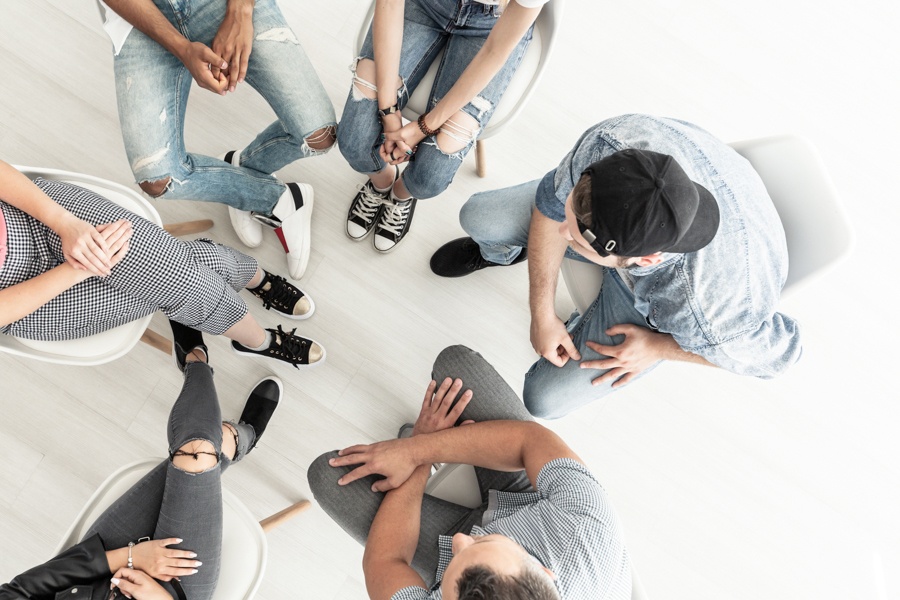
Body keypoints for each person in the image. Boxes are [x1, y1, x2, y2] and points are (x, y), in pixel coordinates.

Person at [430, 114, 802, 419]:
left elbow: (780, 356)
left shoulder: (712, 312)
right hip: (693, 203)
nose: (561, 232)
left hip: (671, 297)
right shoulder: (614, 142)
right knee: (478, 216)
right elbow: (552, 210)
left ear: (646, 260)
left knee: (543, 400)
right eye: (572, 211)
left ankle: (581, 319)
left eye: (577, 239)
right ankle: (508, 253)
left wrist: (658, 347)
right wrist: (541, 313)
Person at [308, 345, 632, 600]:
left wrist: (420, 447)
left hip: (440, 559)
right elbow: (530, 441)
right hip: (528, 500)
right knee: (456, 365)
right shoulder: (588, 532)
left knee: (328, 476)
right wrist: (414, 451)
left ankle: (426, 444)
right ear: (545, 574)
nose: (462, 540)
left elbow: (384, 562)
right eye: (480, 543)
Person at [0, 325, 281, 600]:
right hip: (174, 589)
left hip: (104, 563)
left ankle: (196, 364)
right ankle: (208, 383)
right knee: (205, 449)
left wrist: (130, 556)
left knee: (197, 451)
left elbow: (18, 591)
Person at [0, 160, 324, 369]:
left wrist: (64, 222)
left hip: (28, 215)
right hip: (23, 303)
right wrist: (77, 268)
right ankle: (258, 329)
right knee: (184, 278)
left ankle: (255, 329)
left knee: (177, 276)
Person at [99, 0, 337, 279]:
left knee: (320, 134)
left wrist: (240, 12)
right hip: (139, 18)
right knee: (157, 180)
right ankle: (276, 199)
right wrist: (182, 48)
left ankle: (242, 170)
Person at [338, 0, 549, 253]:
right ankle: (381, 183)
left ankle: (400, 195)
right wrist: (389, 113)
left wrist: (423, 127)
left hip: (492, 25)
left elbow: (494, 51)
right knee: (353, 144)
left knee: (429, 179)